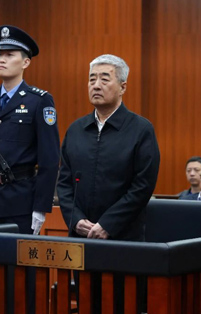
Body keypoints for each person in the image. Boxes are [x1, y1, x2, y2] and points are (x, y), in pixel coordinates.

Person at [57, 54, 160, 241]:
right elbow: (64, 183)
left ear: (122, 87)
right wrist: (75, 219)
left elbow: (142, 186)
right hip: (80, 235)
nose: (96, 85)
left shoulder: (141, 129)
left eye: (104, 79)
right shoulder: (76, 130)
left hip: (124, 236)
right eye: (92, 79)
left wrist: (108, 224)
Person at [0, 25, 60, 235]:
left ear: (25, 62)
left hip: (21, 202)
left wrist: (41, 207)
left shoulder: (39, 100)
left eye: (9, 55)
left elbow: (49, 159)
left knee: (17, 257)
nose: (1, 60)